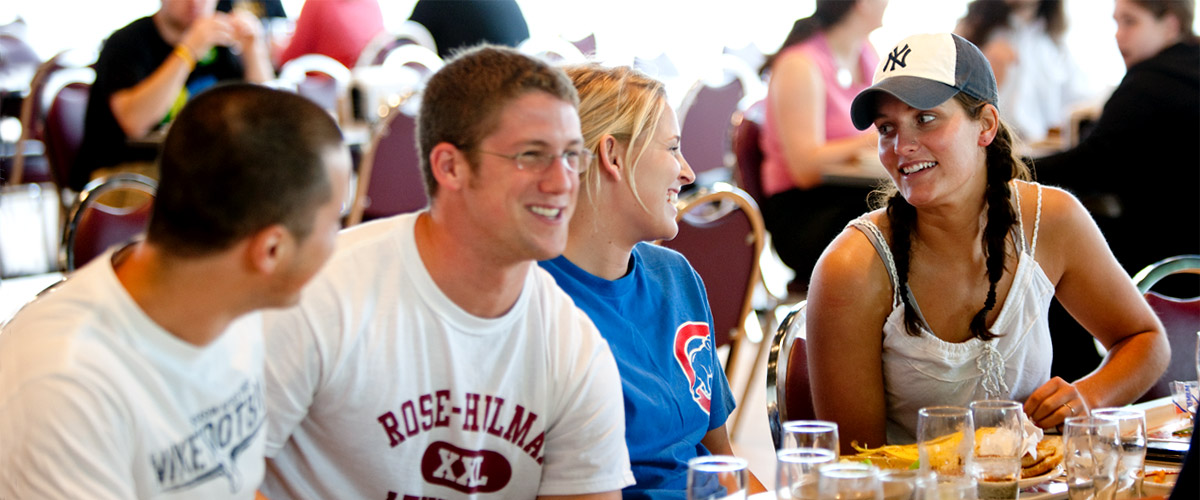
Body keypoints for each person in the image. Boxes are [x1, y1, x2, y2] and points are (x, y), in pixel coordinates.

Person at [259, 45, 633, 499]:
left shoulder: (572, 345)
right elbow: (219, 481)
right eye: (532, 155)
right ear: (450, 166)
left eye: (573, 155)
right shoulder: (321, 294)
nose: (562, 181)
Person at [805, 32, 1170, 451]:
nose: (901, 147)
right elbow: (857, 469)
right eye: (887, 128)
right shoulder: (852, 267)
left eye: (925, 118)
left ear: (986, 125)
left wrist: (1089, 396)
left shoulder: (1049, 221)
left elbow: (1145, 340)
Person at [0, 83, 350, 498]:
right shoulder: (65, 383)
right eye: (334, 223)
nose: (341, 239)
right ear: (270, 250)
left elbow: (237, 482)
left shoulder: (239, 304)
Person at [538, 64, 766, 499]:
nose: (686, 171)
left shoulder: (676, 277)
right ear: (613, 156)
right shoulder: (536, 307)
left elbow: (721, 462)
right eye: (673, 148)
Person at [1032, 0, 1198, 382]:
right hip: (1188, 253)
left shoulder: (1151, 81)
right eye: (1116, 23)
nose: (1119, 35)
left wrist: (1009, 168)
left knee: (1056, 271)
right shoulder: (1187, 69)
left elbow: (1089, 164)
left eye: (1131, 22)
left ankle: (1072, 398)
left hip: (1163, 261)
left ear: (1170, 25)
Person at [757, 0, 888, 294]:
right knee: (906, 218)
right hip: (804, 213)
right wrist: (873, 138)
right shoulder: (800, 64)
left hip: (845, 195)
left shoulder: (866, 54)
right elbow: (805, 168)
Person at [74, 0, 274, 191]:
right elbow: (134, 123)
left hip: (199, 168)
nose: (195, 2)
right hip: (125, 174)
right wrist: (188, 50)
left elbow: (266, 119)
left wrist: (253, 50)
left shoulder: (220, 46)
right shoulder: (126, 44)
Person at [955, 0, 1094, 143]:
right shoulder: (970, 32)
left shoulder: (1054, 42)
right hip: (990, 149)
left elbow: (1080, 102)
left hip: (1041, 153)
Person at [278, 0, 384, 69]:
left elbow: (290, 57)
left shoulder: (318, 3)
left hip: (329, 91)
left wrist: (275, 51)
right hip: (362, 85)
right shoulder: (372, 3)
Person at [408, 0, 530, 59]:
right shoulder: (509, 3)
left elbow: (405, 47)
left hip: (470, 96)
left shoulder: (436, 3)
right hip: (512, 95)